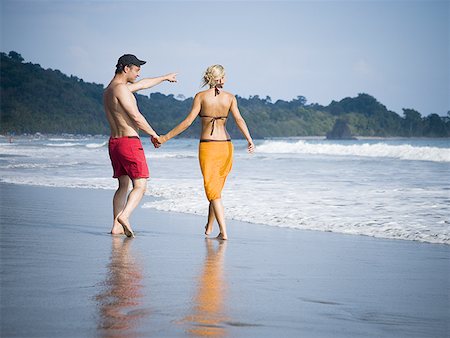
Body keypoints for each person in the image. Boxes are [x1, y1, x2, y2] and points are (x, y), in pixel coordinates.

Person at [156, 65, 254, 240]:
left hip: (208, 146)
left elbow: (187, 123)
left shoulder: (201, 97)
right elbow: (239, 119)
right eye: (224, 76)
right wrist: (249, 139)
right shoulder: (230, 98)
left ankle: (224, 232)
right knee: (215, 188)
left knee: (213, 190)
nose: (226, 79)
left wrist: (165, 138)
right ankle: (210, 225)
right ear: (220, 78)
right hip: (226, 146)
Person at [104, 54, 177, 237]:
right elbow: (136, 117)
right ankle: (125, 216)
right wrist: (154, 135)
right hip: (129, 142)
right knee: (141, 185)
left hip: (114, 143)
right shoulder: (122, 89)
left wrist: (164, 77)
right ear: (126, 68)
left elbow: (144, 84)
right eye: (136, 70)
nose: (138, 74)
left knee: (122, 185)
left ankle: (116, 226)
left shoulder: (110, 90)